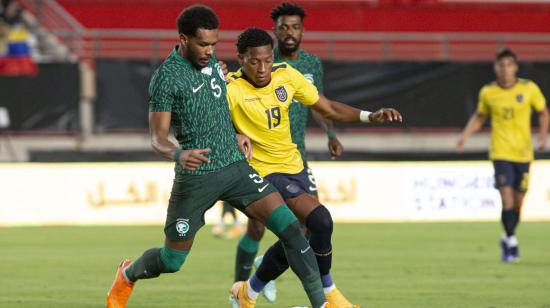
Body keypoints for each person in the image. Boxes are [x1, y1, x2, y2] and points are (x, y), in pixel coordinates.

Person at [105, 5, 333, 308]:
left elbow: (218, 106)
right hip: (197, 177)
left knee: (291, 228)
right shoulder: (166, 78)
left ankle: (322, 305)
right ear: (183, 39)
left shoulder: (213, 63)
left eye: (213, 44)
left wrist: (234, 133)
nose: (209, 51)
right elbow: (156, 138)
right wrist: (178, 153)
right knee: (172, 260)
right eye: (202, 44)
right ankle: (128, 273)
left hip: (236, 168)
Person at [227, 27, 402, 308]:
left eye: (267, 60)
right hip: (262, 172)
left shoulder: (287, 75)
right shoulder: (230, 88)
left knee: (300, 235)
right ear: (240, 59)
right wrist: (232, 134)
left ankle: (248, 292)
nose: (262, 68)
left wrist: (371, 116)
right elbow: (205, 126)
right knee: (321, 220)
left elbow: (328, 108)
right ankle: (329, 294)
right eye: (253, 61)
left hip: (294, 165)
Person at [232, 2, 345, 304]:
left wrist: (331, 132)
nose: (289, 32)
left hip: (296, 155)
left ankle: (252, 285)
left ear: (303, 30)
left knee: (309, 226)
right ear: (275, 31)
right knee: (257, 226)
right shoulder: (263, 59)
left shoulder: (311, 64)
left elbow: (318, 103)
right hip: (262, 158)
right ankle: (241, 284)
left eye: (294, 27)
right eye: (283, 27)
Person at [457, 48, 548, 263]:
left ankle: (507, 236)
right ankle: (511, 241)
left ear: (515, 67)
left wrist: (543, 137)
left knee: (518, 202)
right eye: (501, 65)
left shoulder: (529, 89)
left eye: (509, 65)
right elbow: (479, 117)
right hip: (501, 152)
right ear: (496, 68)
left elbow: (543, 112)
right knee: (506, 198)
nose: (505, 69)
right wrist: (465, 136)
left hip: (524, 154)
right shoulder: (488, 92)